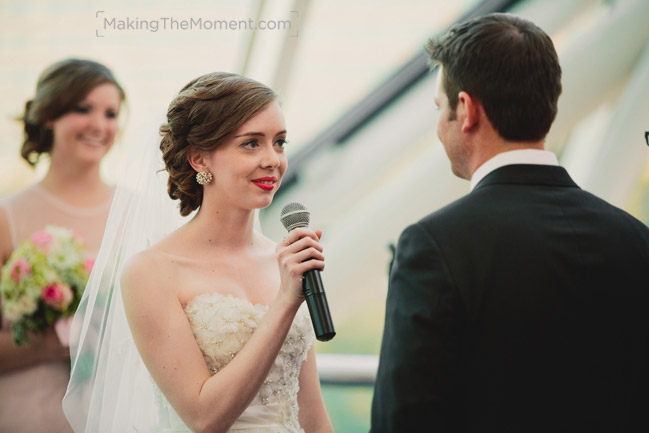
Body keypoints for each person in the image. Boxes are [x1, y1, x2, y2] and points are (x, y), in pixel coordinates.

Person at [371, 13, 649, 433]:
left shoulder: (433, 246)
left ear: (465, 109)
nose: (438, 124)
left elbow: (403, 420)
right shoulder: (635, 240)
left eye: (439, 107)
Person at [63, 72, 333, 433]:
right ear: (199, 160)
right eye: (251, 143)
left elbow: (313, 415)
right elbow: (204, 417)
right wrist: (286, 302)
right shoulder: (151, 271)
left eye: (279, 142)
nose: (273, 160)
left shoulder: (285, 263)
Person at [0, 58, 124, 433]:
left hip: (113, 412)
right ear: (50, 114)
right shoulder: (8, 217)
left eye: (111, 113)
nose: (99, 125)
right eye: (82, 108)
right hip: (29, 413)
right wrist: (55, 342)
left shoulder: (137, 212)